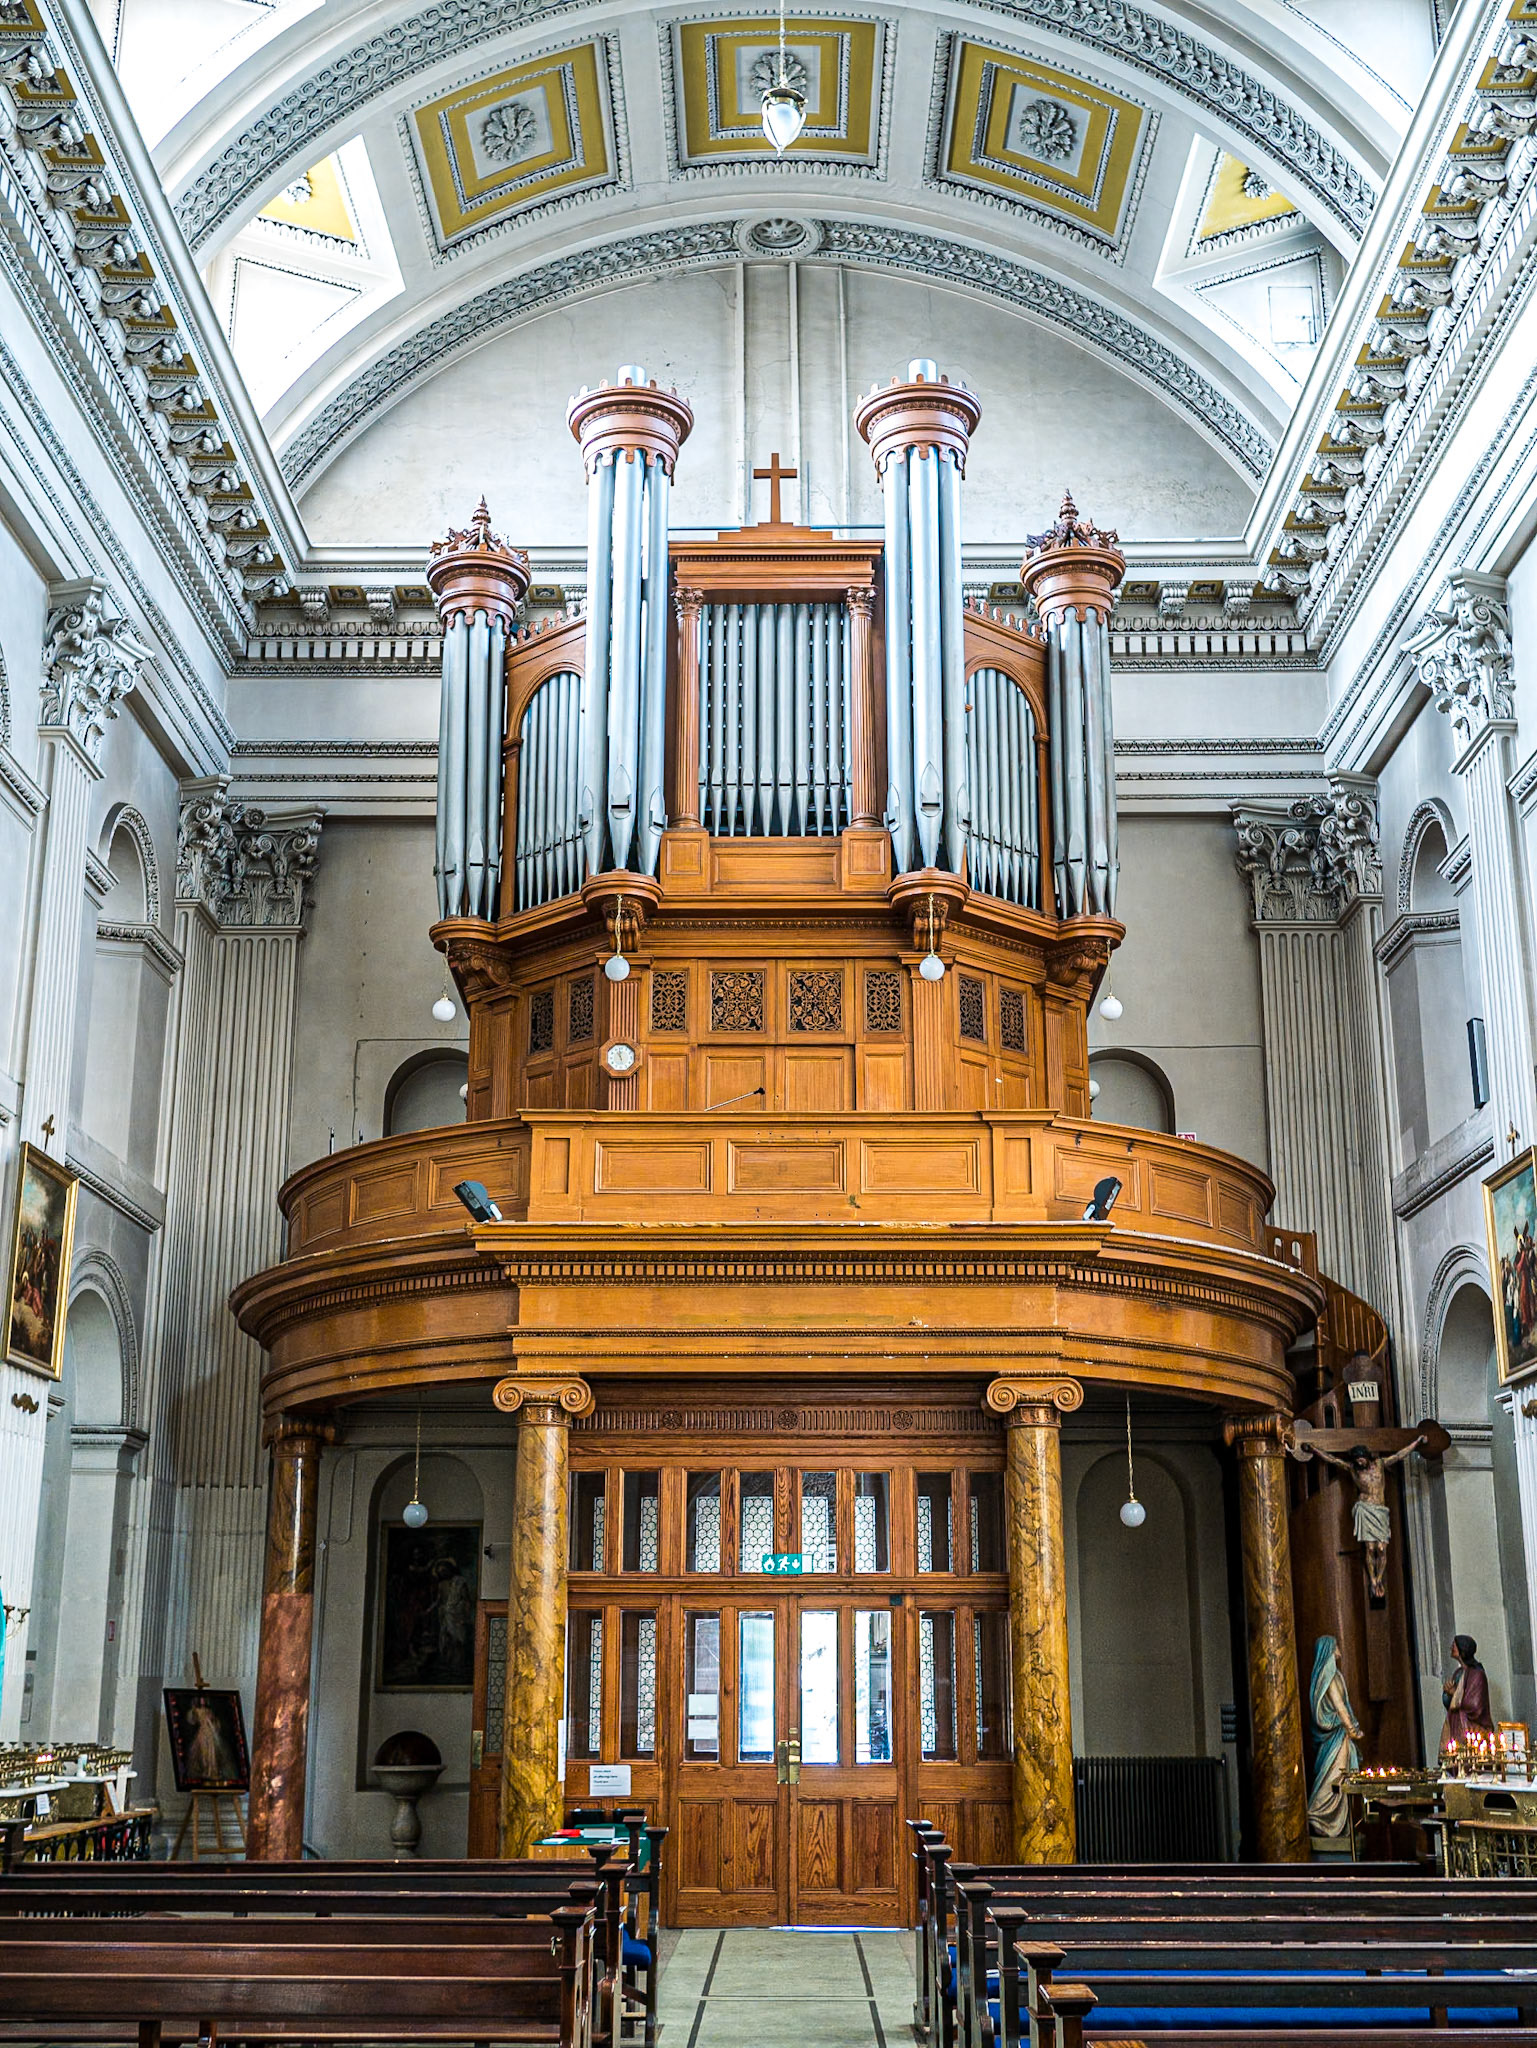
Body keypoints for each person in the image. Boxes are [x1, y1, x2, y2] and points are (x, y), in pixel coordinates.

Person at [1307, 1436, 1424, 1601]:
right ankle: (1373, 1580)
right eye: (1357, 1461)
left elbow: (1399, 1455)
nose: (1360, 1463)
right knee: (1370, 1548)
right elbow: (1333, 1460)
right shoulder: (1353, 1469)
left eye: (1361, 1459)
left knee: (1382, 1548)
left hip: (1380, 1510)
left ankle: (1380, 1576)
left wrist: (1416, 1443)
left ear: (1367, 1457)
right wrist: (1314, 1450)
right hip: (1365, 1509)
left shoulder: (1380, 1465)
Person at [1307, 1635, 1363, 1838]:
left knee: (1340, 1780)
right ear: (1329, 1650)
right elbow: (1340, 1708)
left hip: (1339, 1738)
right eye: (1336, 1646)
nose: (1339, 1648)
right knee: (1333, 1779)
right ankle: (1317, 1814)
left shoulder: (1334, 1675)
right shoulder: (1329, 1676)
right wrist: (1352, 1730)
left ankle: (1337, 1825)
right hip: (1336, 1739)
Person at [1441, 1634, 1495, 1749]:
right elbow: (1450, 1703)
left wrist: (1454, 1693)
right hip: (1456, 1724)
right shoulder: (1458, 1673)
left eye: (1454, 1646)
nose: (1451, 1648)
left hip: (1471, 1727)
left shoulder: (1477, 1675)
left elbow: (1475, 1705)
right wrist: (1447, 1694)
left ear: (1463, 1649)